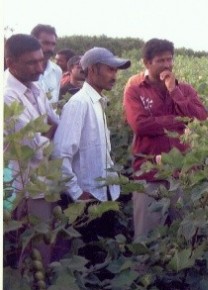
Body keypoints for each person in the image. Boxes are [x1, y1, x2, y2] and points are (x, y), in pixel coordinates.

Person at [52, 47, 131, 266]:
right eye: (110, 69)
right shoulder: (79, 104)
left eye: (116, 71)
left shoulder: (97, 102)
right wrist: (77, 193)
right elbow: (60, 154)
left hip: (103, 197)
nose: (115, 76)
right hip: (88, 202)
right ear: (93, 69)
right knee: (89, 264)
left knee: (102, 263)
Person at [123, 38, 208, 239]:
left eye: (170, 59)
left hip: (184, 175)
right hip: (150, 175)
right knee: (147, 239)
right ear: (146, 62)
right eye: (161, 60)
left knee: (186, 239)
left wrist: (173, 90)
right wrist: (179, 120)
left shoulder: (183, 89)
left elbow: (201, 118)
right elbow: (140, 124)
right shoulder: (135, 88)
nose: (167, 65)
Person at [3, 34, 60, 267]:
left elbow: (55, 122)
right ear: (10, 63)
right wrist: (48, 136)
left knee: (41, 247)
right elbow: (36, 147)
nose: (39, 67)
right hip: (20, 186)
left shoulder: (34, 86)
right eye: (31, 63)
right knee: (30, 253)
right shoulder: (6, 97)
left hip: (40, 180)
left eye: (41, 60)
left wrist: (46, 135)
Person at [31, 24, 62, 104]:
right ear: (32, 41)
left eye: (53, 44)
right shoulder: (21, 71)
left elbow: (54, 103)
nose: (50, 48)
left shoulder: (57, 71)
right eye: (45, 43)